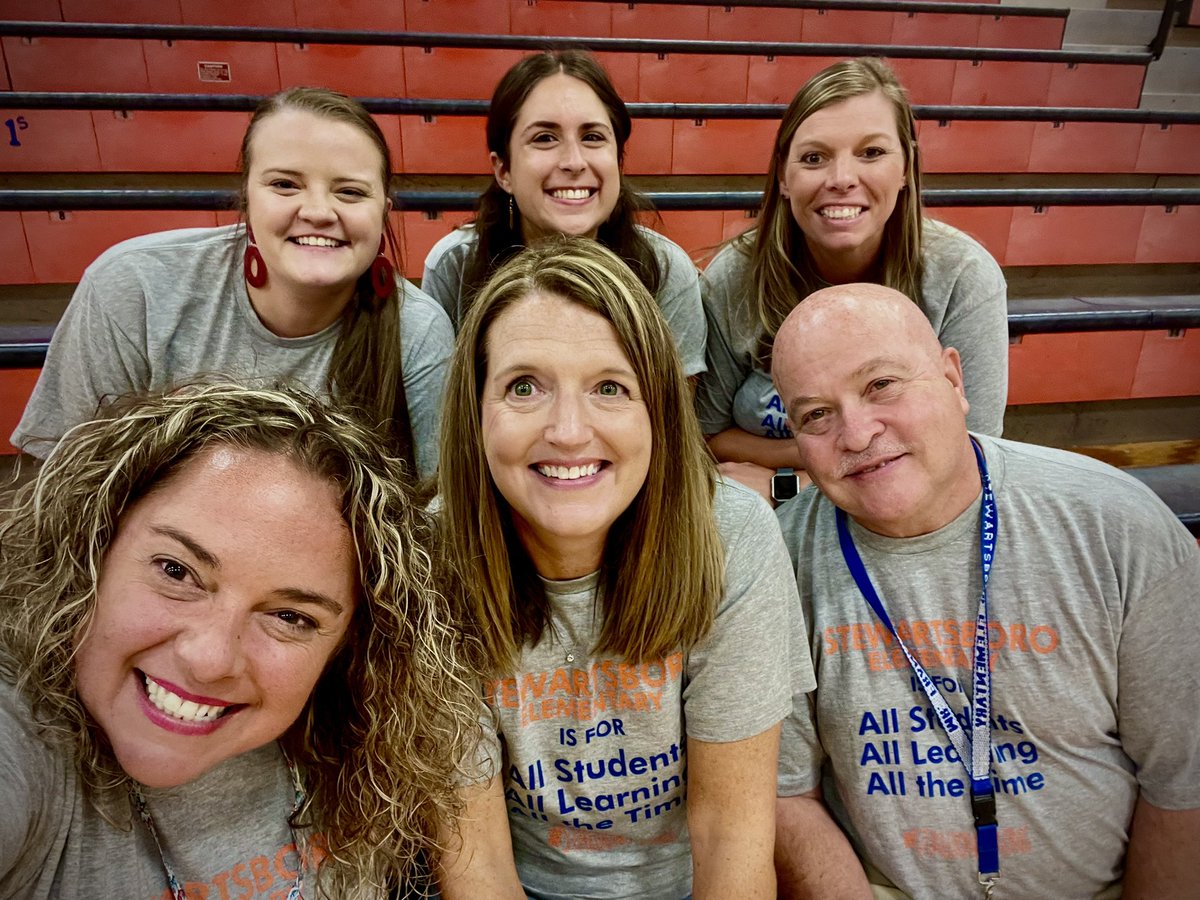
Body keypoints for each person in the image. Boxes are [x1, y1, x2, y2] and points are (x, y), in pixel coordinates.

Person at [770, 282, 1200, 899]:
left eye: (880, 385)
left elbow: (1183, 783)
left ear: (953, 378)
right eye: (816, 414)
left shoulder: (1117, 527)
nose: (857, 433)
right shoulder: (778, 563)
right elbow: (788, 794)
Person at [0, 383, 481, 898]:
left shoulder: (355, 744)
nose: (209, 660)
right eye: (176, 571)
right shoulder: (26, 735)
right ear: (94, 547)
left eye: (290, 617)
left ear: (347, 645)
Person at [435, 236, 805, 899]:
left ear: (657, 410)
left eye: (610, 387)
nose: (570, 430)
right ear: (475, 414)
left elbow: (732, 834)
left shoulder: (732, 537)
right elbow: (478, 863)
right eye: (524, 386)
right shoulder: (434, 560)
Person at [12, 87, 453, 480]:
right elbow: (63, 483)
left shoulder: (418, 330)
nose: (319, 211)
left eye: (350, 192)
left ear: (384, 212)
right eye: (285, 184)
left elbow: (438, 506)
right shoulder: (135, 285)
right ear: (247, 196)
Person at [699, 58, 1009, 503]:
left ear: (906, 169)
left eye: (871, 153)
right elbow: (709, 437)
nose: (842, 179)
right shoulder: (734, 278)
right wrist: (847, 460)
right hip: (770, 520)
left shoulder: (962, 275)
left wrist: (793, 478)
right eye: (814, 158)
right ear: (784, 177)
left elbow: (972, 451)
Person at [421, 50, 706, 380]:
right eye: (544, 138)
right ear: (503, 171)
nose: (574, 161)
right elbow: (446, 422)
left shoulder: (665, 271)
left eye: (592, 137)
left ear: (619, 161)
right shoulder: (454, 267)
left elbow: (675, 425)